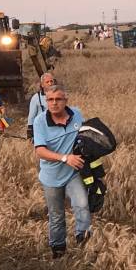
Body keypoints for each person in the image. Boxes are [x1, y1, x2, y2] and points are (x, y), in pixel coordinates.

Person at [33, 84, 90, 259]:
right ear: (46, 101)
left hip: (73, 173)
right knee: (57, 215)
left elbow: (85, 136)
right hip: (51, 177)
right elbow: (40, 151)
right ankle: (58, 251)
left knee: (82, 205)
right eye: (50, 99)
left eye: (58, 99)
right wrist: (65, 158)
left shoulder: (77, 114)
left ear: (66, 101)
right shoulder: (40, 121)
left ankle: (85, 244)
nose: (54, 103)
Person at [27, 72, 56, 139]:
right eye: (47, 82)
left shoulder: (58, 96)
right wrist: (30, 132)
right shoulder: (36, 98)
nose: (50, 83)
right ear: (42, 85)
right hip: (41, 130)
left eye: (51, 81)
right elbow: (31, 116)